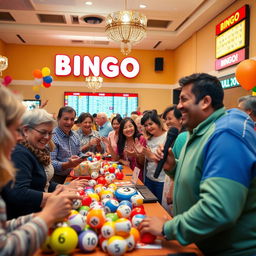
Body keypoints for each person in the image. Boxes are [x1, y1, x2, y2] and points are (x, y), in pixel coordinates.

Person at [139, 73, 256, 256]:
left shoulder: (226, 134)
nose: (178, 107)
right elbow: (200, 177)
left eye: (184, 99)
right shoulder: (200, 131)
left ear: (205, 101)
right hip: (198, 245)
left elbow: (218, 209)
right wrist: (174, 167)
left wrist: (168, 228)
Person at [0, 86, 81, 256]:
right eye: (15, 130)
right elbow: (5, 248)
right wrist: (48, 213)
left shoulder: (33, 150)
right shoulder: (20, 152)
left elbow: (5, 228)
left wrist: (58, 192)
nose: (18, 137)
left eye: (50, 133)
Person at [2, 108, 88, 219]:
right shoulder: (20, 153)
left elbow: (42, 182)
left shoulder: (36, 149)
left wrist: (63, 187)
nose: (47, 138)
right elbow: (18, 193)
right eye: (43, 132)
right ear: (26, 130)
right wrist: (54, 198)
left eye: (50, 133)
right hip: (26, 220)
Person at [51, 106, 84, 184]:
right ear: (58, 119)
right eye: (66, 119)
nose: (69, 122)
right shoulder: (52, 136)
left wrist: (85, 156)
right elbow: (50, 163)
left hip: (74, 176)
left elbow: (78, 153)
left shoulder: (75, 135)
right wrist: (67, 165)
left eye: (72, 119)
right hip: (57, 180)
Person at [140, 110, 167, 202]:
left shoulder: (167, 137)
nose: (148, 127)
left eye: (151, 124)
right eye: (146, 125)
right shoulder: (149, 139)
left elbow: (168, 161)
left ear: (158, 122)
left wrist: (151, 156)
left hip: (162, 180)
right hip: (149, 178)